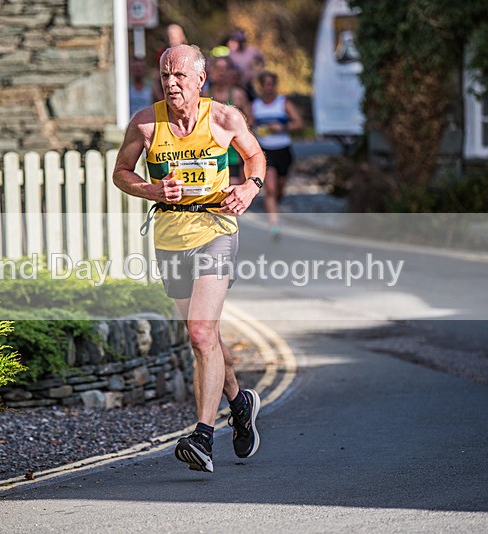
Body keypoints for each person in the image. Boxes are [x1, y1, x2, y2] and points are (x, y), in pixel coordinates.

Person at [114, 44, 266, 473]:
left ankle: (202, 435)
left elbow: (254, 156)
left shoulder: (223, 119)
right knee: (207, 337)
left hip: (216, 232)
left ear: (201, 79)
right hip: (169, 237)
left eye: (180, 76)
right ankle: (239, 402)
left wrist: (249, 187)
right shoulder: (146, 123)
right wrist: (152, 190)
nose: (171, 83)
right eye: (165, 76)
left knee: (201, 333)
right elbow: (121, 173)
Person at [251, 70, 304, 240]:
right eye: (265, 85)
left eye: (271, 84)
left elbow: (299, 123)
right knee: (271, 190)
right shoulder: (255, 105)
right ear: (261, 87)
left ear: (275, 85)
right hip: (266, 150)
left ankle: (272, 207)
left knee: (280, 189)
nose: (269, 88)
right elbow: (249, 126)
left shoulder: (283, 102)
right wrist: (257, 131)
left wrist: (282, 127)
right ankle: (274, 225)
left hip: (283, 149)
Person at [204, 55, 253, 185]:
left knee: (232, 187)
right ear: (211, 71)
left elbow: (250, 120)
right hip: (208, 150)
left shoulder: (238, 95)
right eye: (218, 68)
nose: (221, 72)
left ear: (229, 72)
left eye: (225, 69)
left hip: (233, 152)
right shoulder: (203, 95)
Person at [152, 23, 188, 102]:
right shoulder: (161, 55)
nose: (170, 39)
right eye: (169, 35)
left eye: (174, 35)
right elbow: (155, 78)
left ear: (182, 36)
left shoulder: (190, 55)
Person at [226, 29, 264, 100]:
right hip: (235, 85)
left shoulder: (252, 51)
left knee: (253, 100)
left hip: (248, 84)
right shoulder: (231, 54)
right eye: (237, 40)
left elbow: (262, 61)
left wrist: (257, 73)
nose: (240, 43)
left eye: (241, 41)